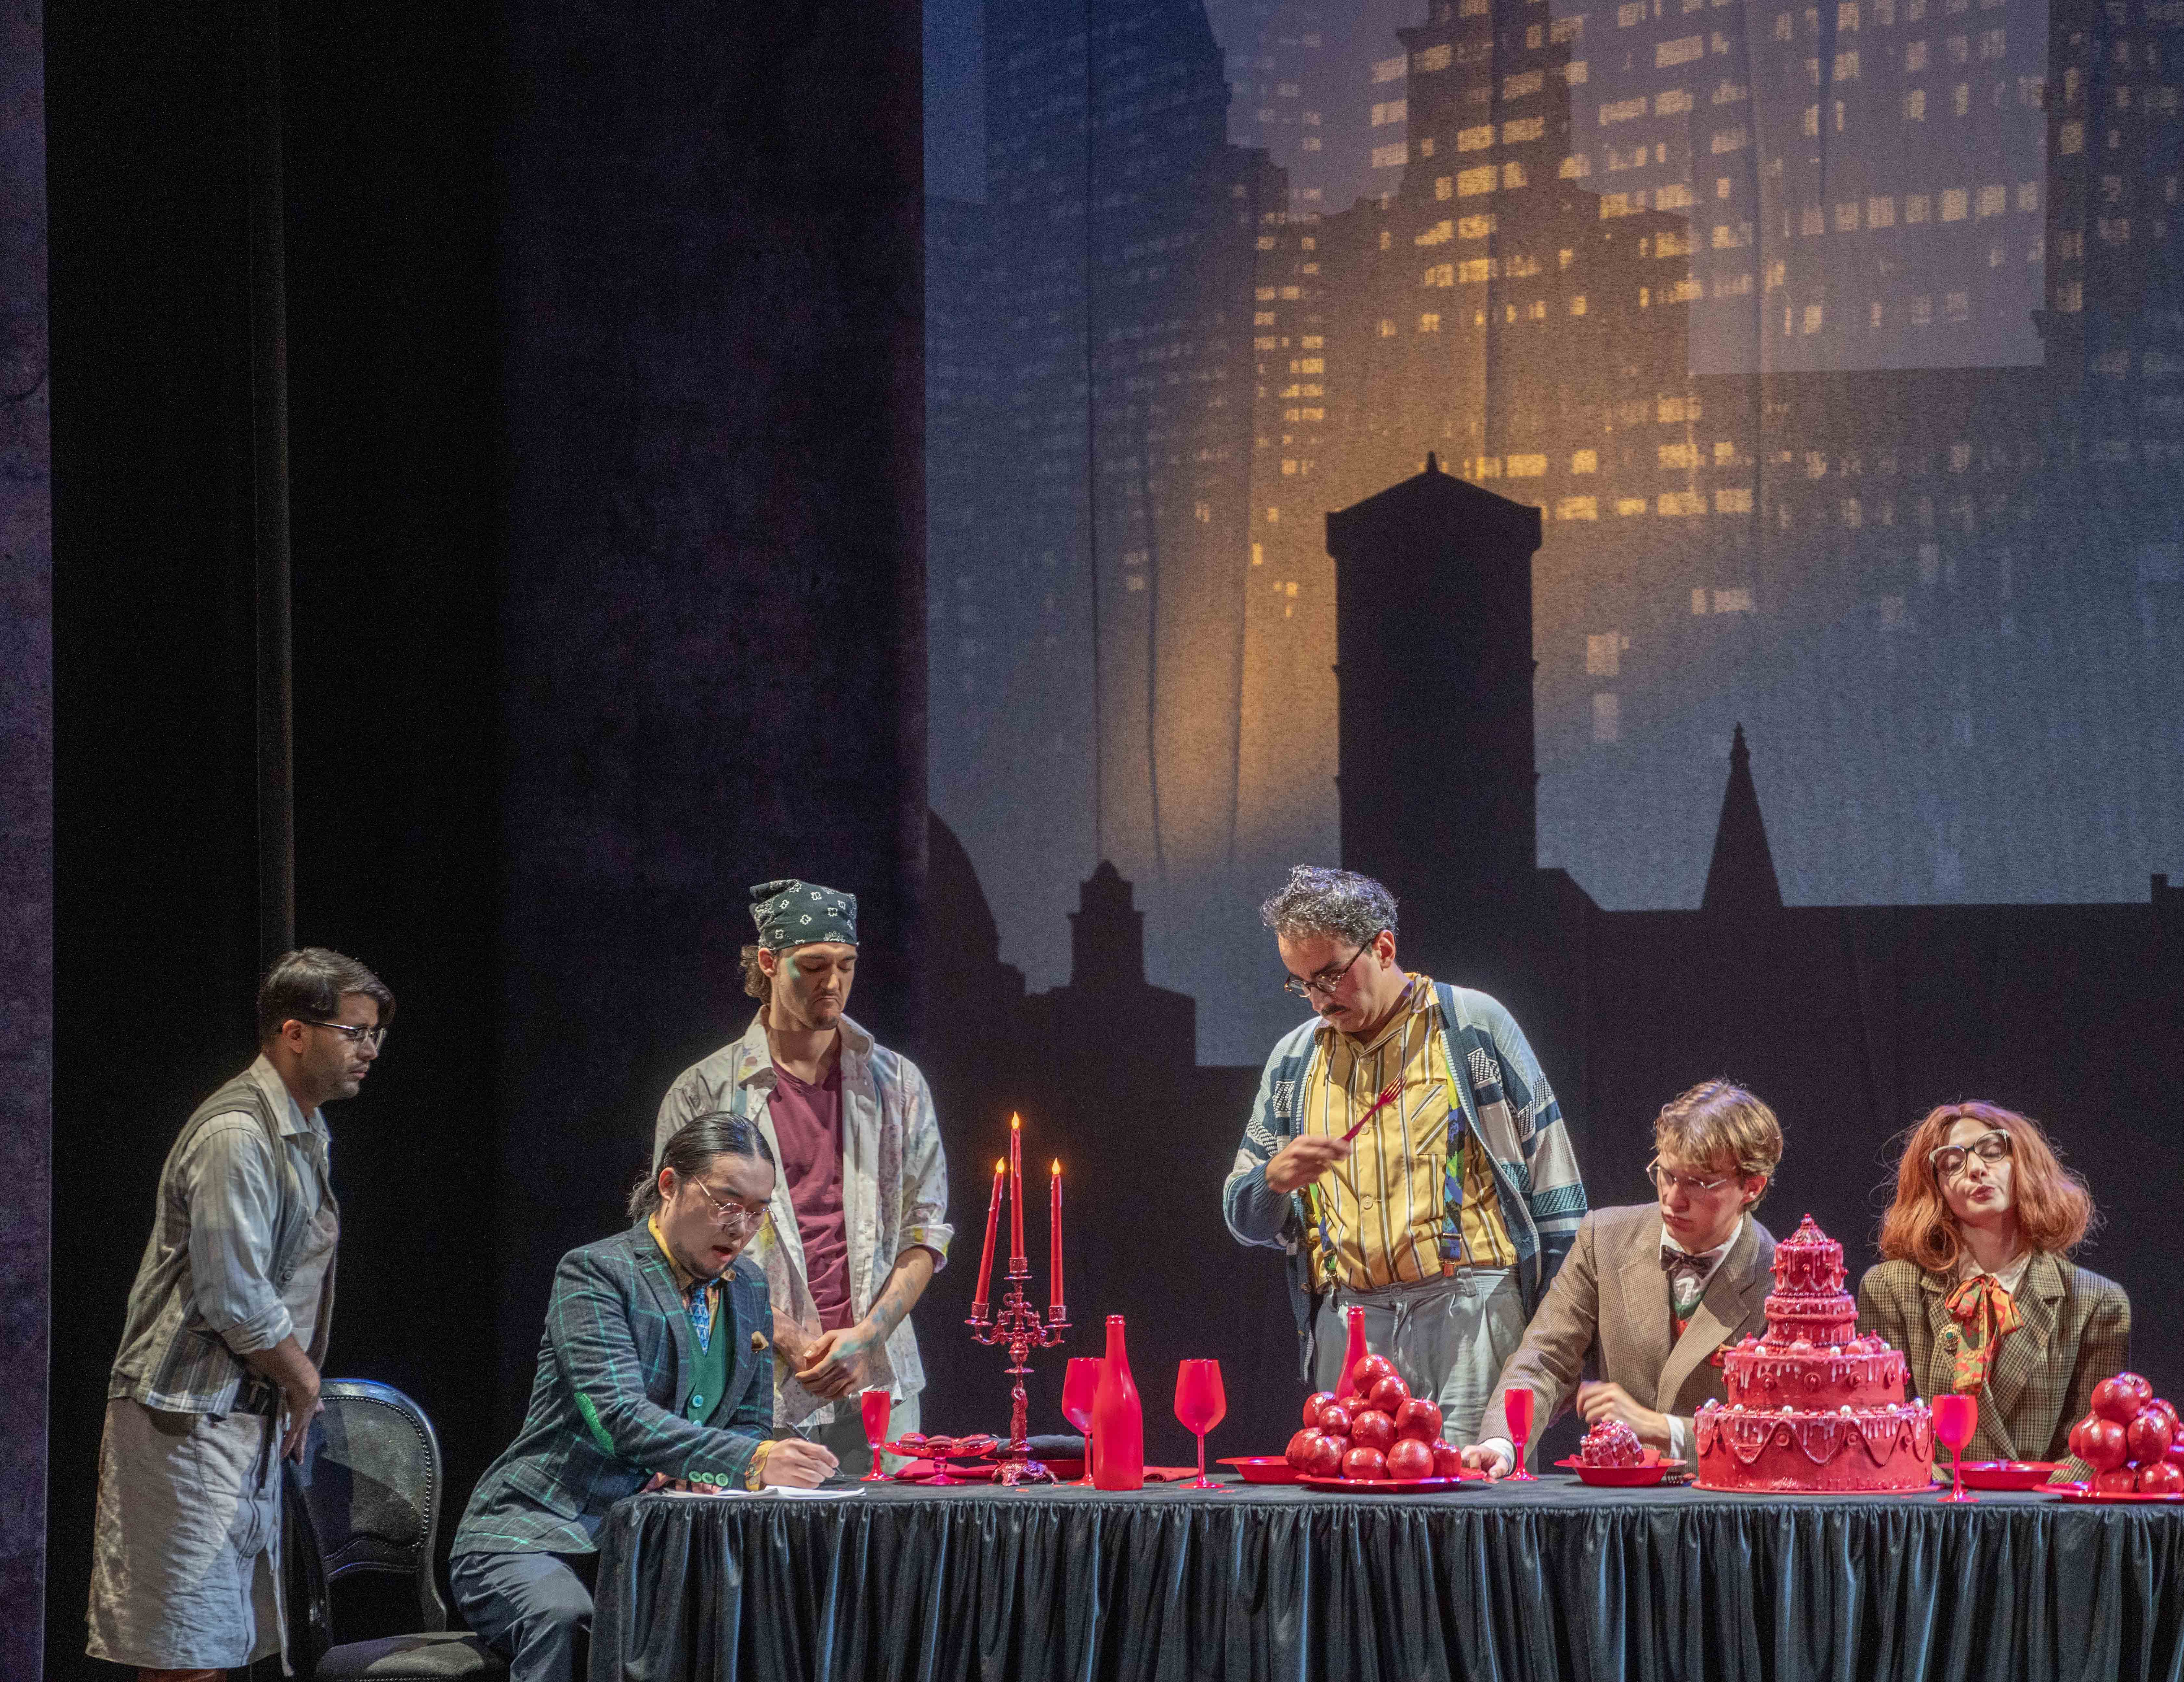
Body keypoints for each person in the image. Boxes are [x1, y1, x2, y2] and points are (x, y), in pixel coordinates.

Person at [88, 948, 392, 1682]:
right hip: (183, 1414)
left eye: (376, 1034)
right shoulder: (237, 1133)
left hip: (237, 1416)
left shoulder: (301, 1129)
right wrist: (303, 1380)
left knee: (218, 1645)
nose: (370, 1049)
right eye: (354, 1032)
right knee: (185, 1652)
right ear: (294, 1032)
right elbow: (234, 1294)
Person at [451, 1115, 836, 1682]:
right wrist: (751, 1461)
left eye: (758, 1210)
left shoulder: (749, 1286)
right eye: (727, 1203)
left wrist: (719, 1467)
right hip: (541, 1532)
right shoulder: (597, 1272)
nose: (742, 1227)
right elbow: (617, 1416)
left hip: (654, 1540)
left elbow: (749, 1421)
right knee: (565, 1617)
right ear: (670, 1184)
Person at [1222, 866, 1588, 1446]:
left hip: (1471, 1315)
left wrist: (1556, 1347)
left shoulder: (1471, 1026)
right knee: (1352, 1495)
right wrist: (1272, 1179)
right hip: (1349, 1324)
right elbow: (1242, 1220)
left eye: (1330, 975)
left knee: (1475, 1493)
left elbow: (1555, 1188)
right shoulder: (1293, 1060)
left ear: (1384, 948)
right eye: (1301, 983)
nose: (1318, 999)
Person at [653, 879, 950, 1474]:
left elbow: (926, 1231)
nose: (832, 981)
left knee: (887, 1532)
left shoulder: (897, 1084)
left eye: (846, 964)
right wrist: (785, 1333)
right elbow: (673, 1244)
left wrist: (868, 1335)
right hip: (753, 1382)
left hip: (878, 1385)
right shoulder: (707, 1089)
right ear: (768, 962)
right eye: (813, 965)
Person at [1462, 1080, 1783, 1477]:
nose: (1673, 1199)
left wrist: (1663, 1429)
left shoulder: (1780, 1283)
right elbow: (1544, 1358)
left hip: (1723, 1503)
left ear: (1751, 1187)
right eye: (1666, 1174)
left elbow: (1777, 1437)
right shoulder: (1605, 1238)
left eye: (1698, 1183)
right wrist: (1502, 1444)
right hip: (1617, 1504)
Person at [1857, 1100, 2129, 1477]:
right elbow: (1886, 1433)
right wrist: (1949, 1496)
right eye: (1952, 1163)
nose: (1975, 1168)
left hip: (2041, 1508)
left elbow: (2093, 1450)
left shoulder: (2097, 1302)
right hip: (1932, 1508)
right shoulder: (1889, 1288)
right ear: (1936, 1187)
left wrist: (2020, 1500)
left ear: (2025, 1163)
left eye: (1991, 1150)